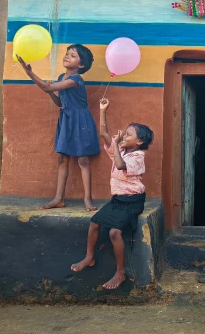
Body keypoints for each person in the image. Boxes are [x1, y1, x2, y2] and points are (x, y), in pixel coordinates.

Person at [70, 98, 154, 290]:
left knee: (114, 232)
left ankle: (120, 272)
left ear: (139, 142)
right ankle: (89, 257)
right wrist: (102, 110)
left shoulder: (137, 157)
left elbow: (120, 165)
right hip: (118, 200)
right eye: (124, 132)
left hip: (132, 201)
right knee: (94, 223)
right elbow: (103, 133)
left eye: (128, 134)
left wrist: (116, 145)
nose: (123, 135)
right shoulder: (121, 150)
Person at [17, 44, 100, 211]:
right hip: (67, 119)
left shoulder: (75, 80)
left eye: (73, 55)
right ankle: (59, 198)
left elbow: (46, 87)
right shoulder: (62, 77)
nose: (67, 56)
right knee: (62, 158)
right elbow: (59, 102)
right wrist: (50, 92)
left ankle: (87, 198)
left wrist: (29, 72)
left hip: (80, 120)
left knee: (83, 160)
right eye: (67, 53)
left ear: (81, 65)